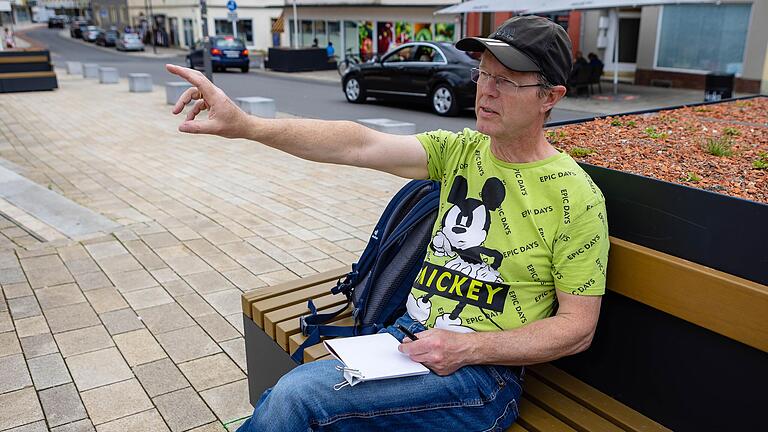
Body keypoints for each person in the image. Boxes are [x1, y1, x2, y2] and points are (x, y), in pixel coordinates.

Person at [166, 15, 609, 431]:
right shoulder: (462, 152)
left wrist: (468, 347)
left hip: (481, 375)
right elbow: (357, 145)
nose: (486, 91)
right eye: (484, 74)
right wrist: (247, 124)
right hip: (401, 341)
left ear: (550, 97)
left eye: (506, 81)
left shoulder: (575, 197)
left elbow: (577, 328)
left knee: (297, 399)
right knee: (285, 400)